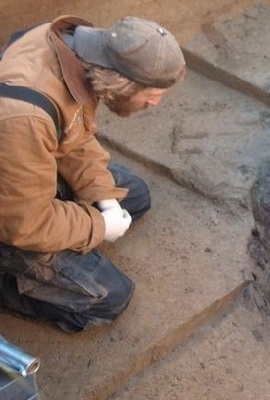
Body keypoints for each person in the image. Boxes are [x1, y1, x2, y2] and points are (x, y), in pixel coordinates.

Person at [0, 15, 186, 332]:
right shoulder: (25, 116)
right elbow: (25, 223)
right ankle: (7, 285)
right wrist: (98, 225)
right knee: (110, 298)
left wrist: (103, 197)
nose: (156, 103)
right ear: (121, 82)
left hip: (24, 160)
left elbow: (74, 132)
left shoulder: (77, 53)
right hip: (15, 207)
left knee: (133, 196)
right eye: (153, 93)